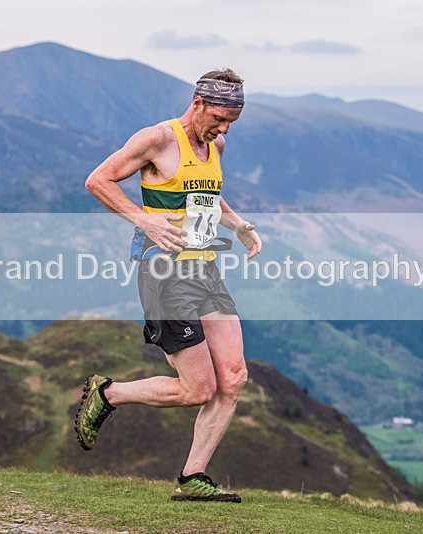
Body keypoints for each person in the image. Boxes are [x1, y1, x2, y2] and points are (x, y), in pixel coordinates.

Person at [76, 68, 262, 503]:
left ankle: (193, 477)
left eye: (231, 121)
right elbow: (98, 180)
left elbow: (206, 194)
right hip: (164, 274)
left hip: (205, 270)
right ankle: (109, 393)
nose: (223, 128)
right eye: (218, 117)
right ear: (197, 103)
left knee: (232, 378)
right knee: (197, 389)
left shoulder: (215, 143)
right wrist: (141, 218)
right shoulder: (157, 139)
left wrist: (239, 226)